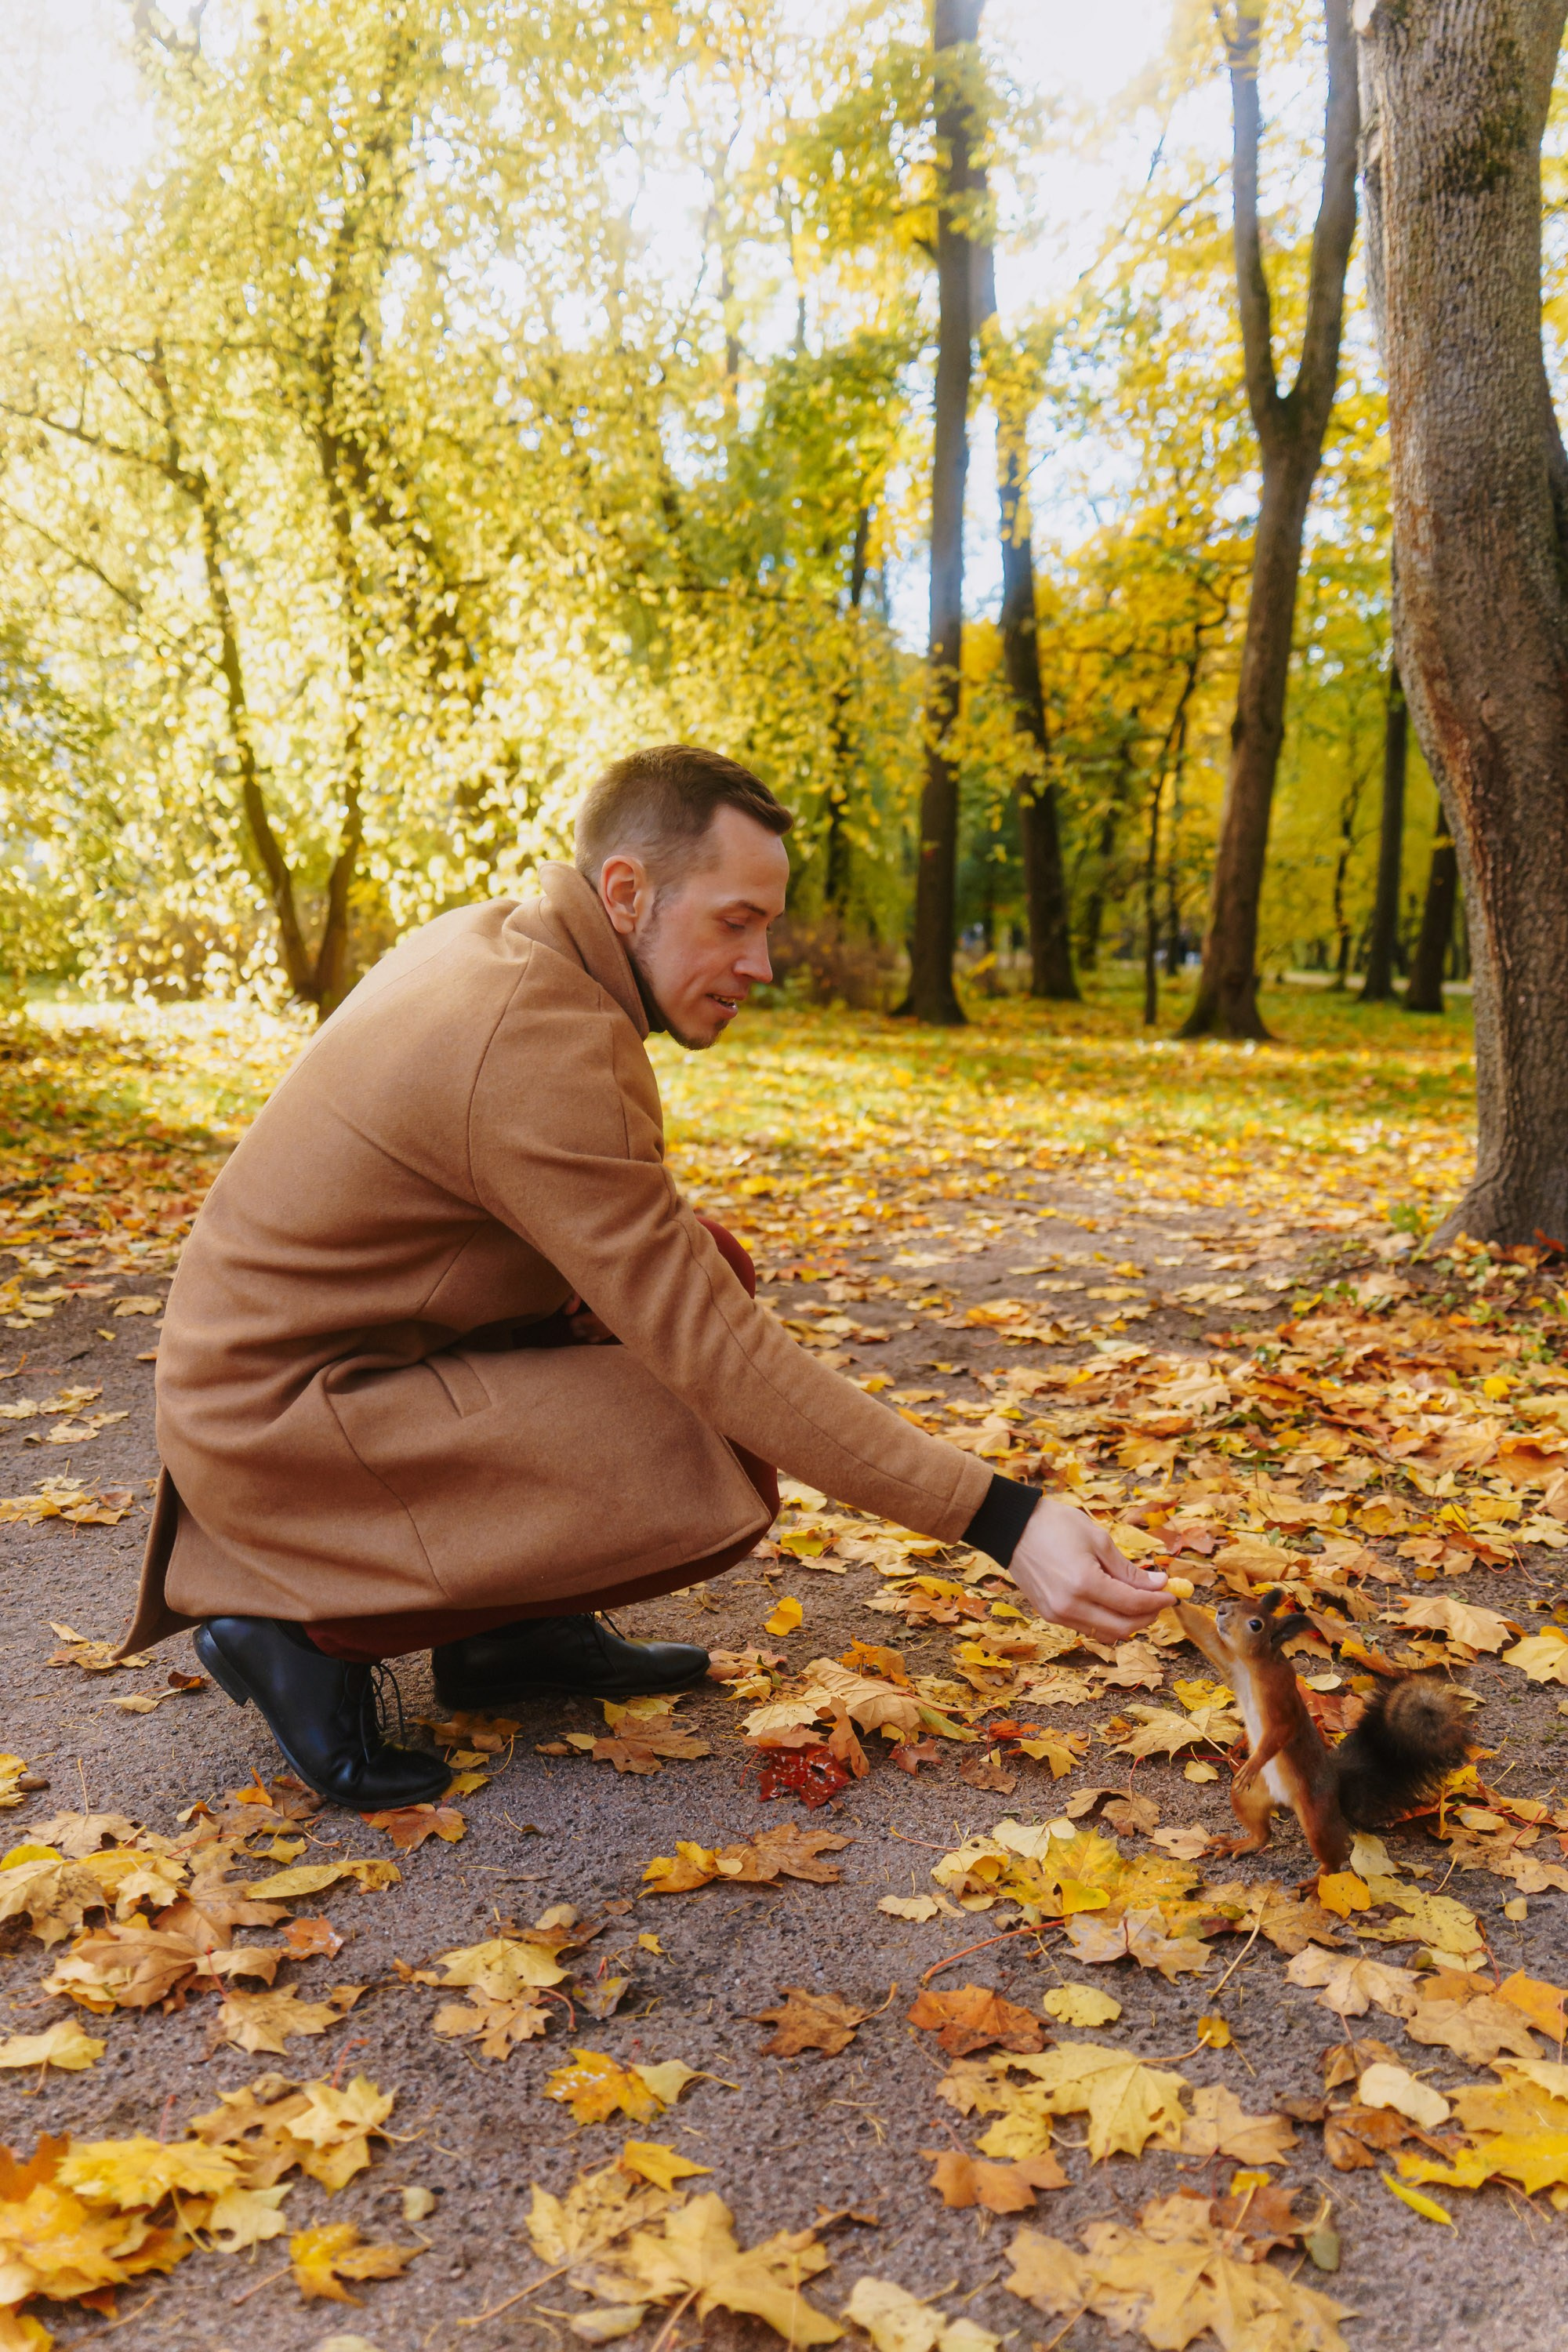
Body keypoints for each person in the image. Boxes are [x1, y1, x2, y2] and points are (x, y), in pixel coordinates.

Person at [122, 744, 1171, 1806]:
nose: (764, 963)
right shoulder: (538, 1039)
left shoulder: (509, 943)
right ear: (626, 892)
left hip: (293, 1381)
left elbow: (669, 1276)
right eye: (735, 921)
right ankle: (296, 1629)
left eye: (767, 924)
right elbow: (720, 1355)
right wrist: (1001, 1518)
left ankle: (509, 1634)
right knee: (707, 1441)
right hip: (280, 1431)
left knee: (712, 1262)